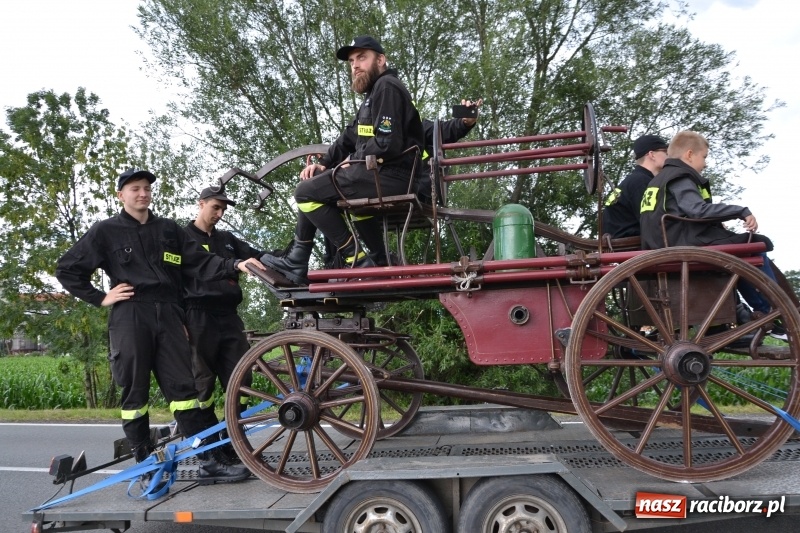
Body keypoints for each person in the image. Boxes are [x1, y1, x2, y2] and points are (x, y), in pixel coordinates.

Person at [55, 168, 263, 486]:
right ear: (121, 195)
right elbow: (68, 269)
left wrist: (234, 264)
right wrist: (100, 298)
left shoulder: (168, 230)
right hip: (130, 316)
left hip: (168, 314)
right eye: (135, 188)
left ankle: (207, 460)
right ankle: (145, 461)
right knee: (135, 393)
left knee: (186, 392)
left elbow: (198, 260)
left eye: (147, 188)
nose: (142, 193)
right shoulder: (105, 231)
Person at [261, 35, 425, 285]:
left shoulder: (387, 87)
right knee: (316, 179)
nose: (355, 65)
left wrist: (355, 161)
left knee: (305, 193)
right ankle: (377, 257)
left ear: (380, 60)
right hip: (380, 174)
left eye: (362, 58)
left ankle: (352, 258)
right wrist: (326, 163)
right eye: (351, 61)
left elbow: (386, 142)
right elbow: (351, 135)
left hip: (392, 176)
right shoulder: (373, 95)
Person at [639, 131, 786, 340]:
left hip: (662, 242)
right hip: (682, 243)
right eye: (704, 157)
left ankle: (758, 312)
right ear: (689, 155)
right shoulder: (679, 176)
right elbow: (696, 210)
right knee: (754, 247)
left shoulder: (658, 179)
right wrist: (739, 210)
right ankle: (774, 311)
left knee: (740, 249)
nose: (705, 163)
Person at [183, 186, 264, 462]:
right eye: (215, 207)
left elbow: (259, 257)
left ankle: (234, 441)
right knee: (202, 383)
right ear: (201, 204)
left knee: (241, 380)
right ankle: (209, 443)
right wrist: (178, 321)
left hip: (229, 316)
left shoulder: (228, 239)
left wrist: (292, 254)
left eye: (223, 210)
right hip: (197, 316)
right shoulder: (182, 239)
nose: (219, 214)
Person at [601, 134, 669, 238]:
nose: (668, 156)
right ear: (652, 154)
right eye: (665, 152)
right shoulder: (641, 182)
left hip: (619, 247)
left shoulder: (632, 181)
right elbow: (652, 224)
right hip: (630, 247)